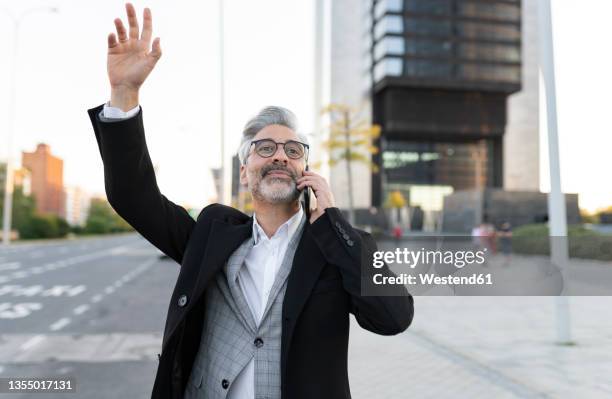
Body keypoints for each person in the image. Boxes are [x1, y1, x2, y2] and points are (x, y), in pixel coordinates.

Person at [87, 4, 413, 399]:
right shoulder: (211, 234)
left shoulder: (339, 245)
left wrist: (333, 222)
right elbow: (132, 196)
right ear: (245, 171)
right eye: (265, 148)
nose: (280, 155)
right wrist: (124, 94)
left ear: (307, 170)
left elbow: (393, 318)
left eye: (293, 150)